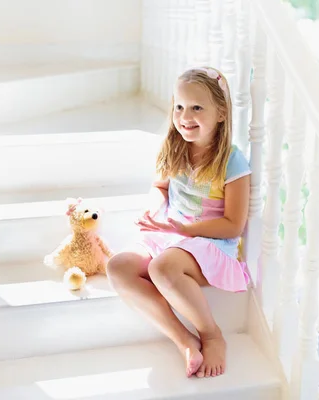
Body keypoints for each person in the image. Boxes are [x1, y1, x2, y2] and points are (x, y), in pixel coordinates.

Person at [106, 67, 252, 379]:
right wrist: (155, 211)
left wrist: (188, 230)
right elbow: (160, 188)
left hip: (209, 245)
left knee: (162, 267)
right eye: (179, 107)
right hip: (173, 236)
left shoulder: (231, 162)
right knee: (118, 266)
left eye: (197, 108)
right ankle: (183, 339)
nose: (185, 116)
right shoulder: (173, 147)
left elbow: (233, 225)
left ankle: (211, 334)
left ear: (221, 113)